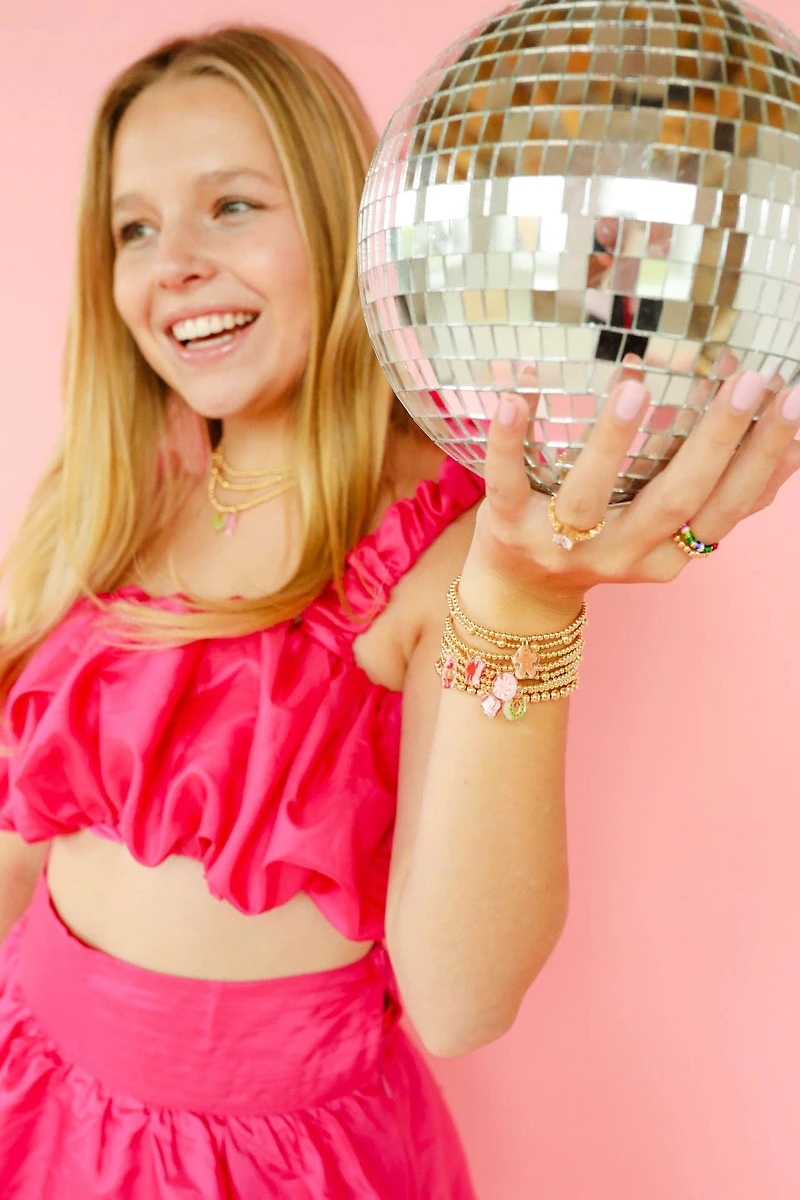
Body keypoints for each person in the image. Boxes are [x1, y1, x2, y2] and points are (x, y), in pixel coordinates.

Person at [0, 24, 798, 1200]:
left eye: (230, 206)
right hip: (32, 1098)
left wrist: (522, 603)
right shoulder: (110, 501)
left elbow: (460, 998)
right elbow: (25, 834)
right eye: (133, 227)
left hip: (264, 1168)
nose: (171, 262)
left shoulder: (443, 554)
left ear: (345, 220)